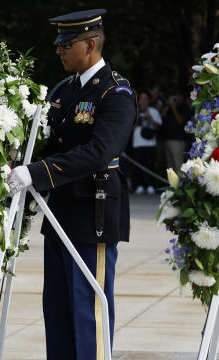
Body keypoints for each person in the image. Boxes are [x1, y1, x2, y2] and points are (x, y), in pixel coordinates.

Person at [7, 9, 136, 360]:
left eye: (66, 44)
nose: (59, 50)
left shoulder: (115, 92)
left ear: (90, 44)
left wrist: (37, 172)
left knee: (87, 308)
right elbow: (52, 142)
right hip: (60, 210)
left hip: (91, 212)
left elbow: (99, 151)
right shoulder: (65, 89)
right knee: (58, 308)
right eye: (58, 43)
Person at [131, 91, 162, 195]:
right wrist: (137, 118)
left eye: (145, 99)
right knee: (138, 166)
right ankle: (139, 186)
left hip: (150, 143)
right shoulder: (135, 111)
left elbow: (157, 126)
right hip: (137, 143)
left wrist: (149, 117)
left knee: (150, 165)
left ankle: (150, 186)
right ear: (139, 100)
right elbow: (130, 128)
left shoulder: (154, 111)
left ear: (149, 100)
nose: (143, 101)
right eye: (141, 99)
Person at [160, 89, 190, 173]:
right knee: (170, 168)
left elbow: (180, 120)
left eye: (177, 96)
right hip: (167, 140)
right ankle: (172, 185)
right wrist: (168, 106)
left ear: (182, 97)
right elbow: (161, 117)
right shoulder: (168, 107)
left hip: (178, 141)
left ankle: (180, 185)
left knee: (179, 166)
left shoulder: (185, 107)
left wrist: (173, 107)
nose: (175, 98)